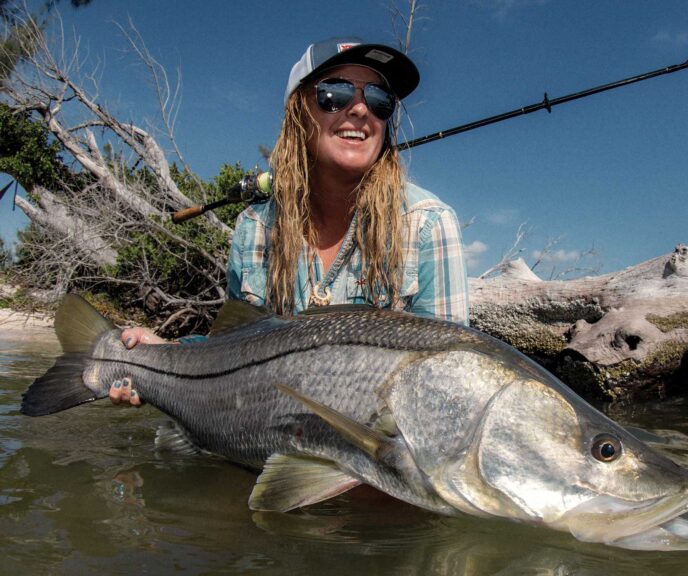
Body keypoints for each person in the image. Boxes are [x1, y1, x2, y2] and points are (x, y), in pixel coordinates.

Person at [111, 37, 469, 406]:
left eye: (380, 100)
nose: (361, 109)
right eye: (336, 93)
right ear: (299, 111)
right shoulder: (254, 227)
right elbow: (233, 352)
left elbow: (448, 383)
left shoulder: (429, 224)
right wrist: (166, 352)